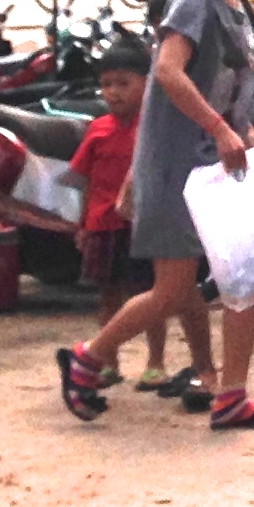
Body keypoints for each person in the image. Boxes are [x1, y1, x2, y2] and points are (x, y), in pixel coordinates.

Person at [55, 0, 254, 431]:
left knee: (247, 279)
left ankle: (232, 396)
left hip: (220, 165)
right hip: (180, 167)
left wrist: (242, 131)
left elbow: (230, 83)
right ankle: (88, 358)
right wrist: (220, 128)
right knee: (173, 291)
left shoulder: (236, 2)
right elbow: (168, 71)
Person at [63, 39, 170, 388]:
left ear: (146, 84)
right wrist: (83, 225)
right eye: (107, 84)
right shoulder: (97, 130)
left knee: (150, 295)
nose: (114, 92)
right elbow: (85, 182)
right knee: (109, 297)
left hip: (143, 225)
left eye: (124, 83)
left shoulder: (153, 129)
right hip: (103, 225)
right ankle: (108, 362)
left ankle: (156, 362)